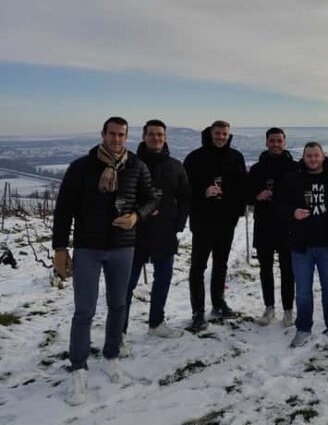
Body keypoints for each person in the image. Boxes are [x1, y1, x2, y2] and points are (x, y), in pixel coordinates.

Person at [52, 116, 159, 405]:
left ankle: (111, 357)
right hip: (88, 247)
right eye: (112, 134)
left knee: (118, 305)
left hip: (123, 247)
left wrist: (136, 216)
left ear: (127, 136)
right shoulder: (81, 167)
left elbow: (152, 198)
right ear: (103, 134)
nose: (117, 139)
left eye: (122, 135)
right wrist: (60, 248)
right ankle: (78, 369)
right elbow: (63, 209)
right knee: (84, 310)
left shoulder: (137, 166)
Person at [276, 142, 328, 348]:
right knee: (303, 291)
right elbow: (278, 205)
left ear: (323, 156)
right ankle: (303, 328)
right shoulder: (293, 179)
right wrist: (293, 213)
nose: (313, 159)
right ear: (303, 157)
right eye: (309, 155)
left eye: (316, 155)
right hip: (301, 246)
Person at [123, 119, 191, 341]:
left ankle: (156, 323)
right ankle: (119, 330)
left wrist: (178, 224)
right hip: (135, 232)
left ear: (165, 137)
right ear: (144, 136)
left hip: (165, 231)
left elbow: (185, 197)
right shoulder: (129, 164)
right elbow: (120, 196)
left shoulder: (175, 166)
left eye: (160, 134)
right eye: (151, 134)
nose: (156, 138)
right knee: (126, 284)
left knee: (163, 280)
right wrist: (138, 212)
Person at [183, 120, 247, 331]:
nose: (221, 137)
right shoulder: (195, 158)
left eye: (224, 134)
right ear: (210, 133)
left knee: (221, 264)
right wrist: (203, 191)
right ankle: (198, 312)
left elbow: (241, 187)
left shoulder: (236, 157)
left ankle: (218, 304)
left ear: (229, 135)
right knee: (198, 266)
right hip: (203, 220)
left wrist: (237, 211)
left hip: (226, 221)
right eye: (217, 133)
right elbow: (184, 189)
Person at [247, 127, 296, 327]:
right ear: (266, 142)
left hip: (287, 225)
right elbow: (246, 194)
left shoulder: (294, 167)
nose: (275, 144)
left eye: (279, 141)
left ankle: (288, 310)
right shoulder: (257, 168)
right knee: (265, 269)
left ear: (284, 142)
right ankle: (269, 308)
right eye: (272, 141)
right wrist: (257, 196)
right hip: (264, 224)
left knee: (288, 270)